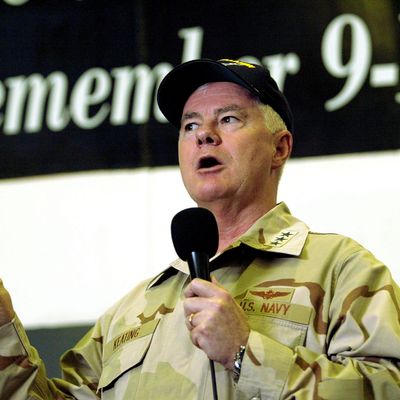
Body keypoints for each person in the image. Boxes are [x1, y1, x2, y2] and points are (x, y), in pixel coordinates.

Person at [1, 58, 400, 400]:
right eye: (190, 126)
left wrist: (247, 352)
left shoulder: (341, 269)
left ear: (279, 148)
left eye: (228, 118)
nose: (204, 134)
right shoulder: (131, 312)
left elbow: (388, 388)